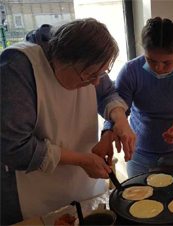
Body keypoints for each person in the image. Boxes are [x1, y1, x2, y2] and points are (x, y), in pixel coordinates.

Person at [0, 18, 136, 225]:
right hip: (33, 192)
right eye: (90, 75)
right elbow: (13, 148)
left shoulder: (88, 62)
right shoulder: (17, 68)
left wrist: (116, 123)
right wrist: (81, 160)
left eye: (101, 73)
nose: (96, 82)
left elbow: (108, 94)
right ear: (61, 59)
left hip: (84, 184)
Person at [109, 17, 173, 177]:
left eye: (167, 62)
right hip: (139, 156)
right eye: (150, 60)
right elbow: (115, 110)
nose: (158, 68)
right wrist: (108, 133)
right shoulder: (131, 71)